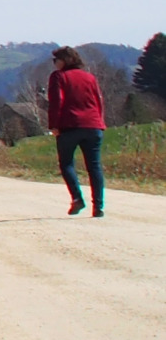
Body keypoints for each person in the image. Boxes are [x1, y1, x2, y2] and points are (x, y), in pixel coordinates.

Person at [46, 46, 107, 217]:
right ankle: (98, 206)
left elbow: (57, 102)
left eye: (55, 60)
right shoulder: (89, 77)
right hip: (93, 125)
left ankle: (77, 199)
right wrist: (99, 121)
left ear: (64, 60)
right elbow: (98, 101)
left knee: (66, 164)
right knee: (94, 166)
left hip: (69, 126)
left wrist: (54, 126)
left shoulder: (59, 76)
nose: (54, 63)